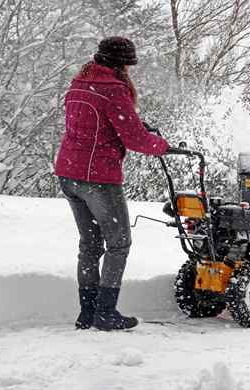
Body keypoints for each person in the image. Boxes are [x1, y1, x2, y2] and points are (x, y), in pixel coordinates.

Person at [54, 37, 169, 331]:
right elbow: (135, 140)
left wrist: (134, 125)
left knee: (90, 244)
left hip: (69, 173)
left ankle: (87, 313)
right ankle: (106, 312)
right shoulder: (113, 90)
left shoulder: (80, 83)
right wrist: (162, 145)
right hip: (98, 178)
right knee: (119, 243)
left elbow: (97, 124)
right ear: (121, 66)